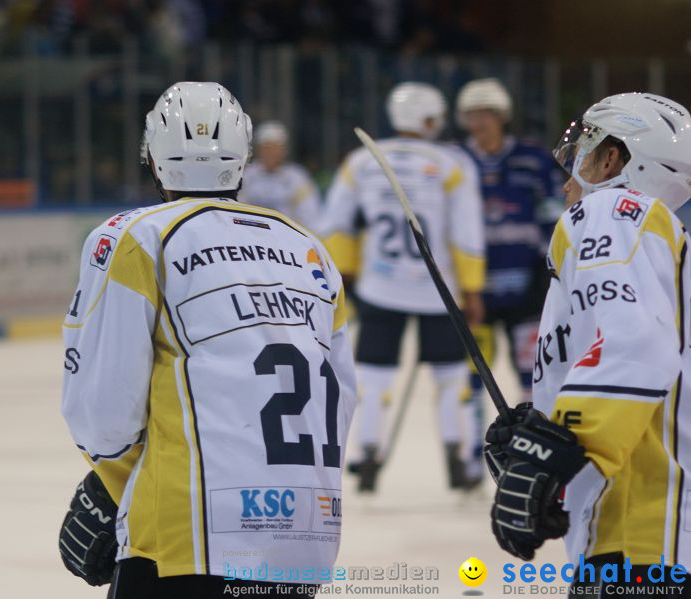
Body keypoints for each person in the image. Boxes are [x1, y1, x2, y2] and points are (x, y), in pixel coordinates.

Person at [58, 82, 357, 598]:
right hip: (307, 531)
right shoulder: (309, 249)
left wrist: (114, 487)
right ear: (241, 157)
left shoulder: (137, 236)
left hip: (190, 531)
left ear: (152, 157)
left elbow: (104, 409)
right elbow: (343, 396)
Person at [487, 93, 691, 599]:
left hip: (643, 537)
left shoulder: (612, 212)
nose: (567, 179)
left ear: (613, 158)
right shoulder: (661, 244)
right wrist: (545, 426)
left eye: (584, 150)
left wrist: (547, 453)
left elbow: (633, 346)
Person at [320, 82, 486, 492]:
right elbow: (466, 232)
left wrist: (345, 272)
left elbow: (335, 225)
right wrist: (472, 288)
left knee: (374, 378)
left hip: (380, 287)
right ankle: (456, 458)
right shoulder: (452, 163)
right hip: (437, 288)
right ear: (428, 119)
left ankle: (368, 457)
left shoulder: (360, 162)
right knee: (450, 378)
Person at [455, 78, 565, 483]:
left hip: (524, 290)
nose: (479, 122)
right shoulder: (455, 161)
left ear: (502, 116)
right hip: (474, 293)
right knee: (471, 378)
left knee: (531, 375)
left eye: (486, 114)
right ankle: (470, 458)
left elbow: (555, 216)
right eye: (472, 114)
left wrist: (548, 273)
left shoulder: (534, 160)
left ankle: (528, 452)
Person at [238, 120, 322, 230]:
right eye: (266, 146)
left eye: (276, 146)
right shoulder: (246, 176)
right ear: (258, 149)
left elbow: (310, 214)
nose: (271, 151)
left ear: (284, 150)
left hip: (287, 236)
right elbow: (238, 207)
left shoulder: (297, 178)